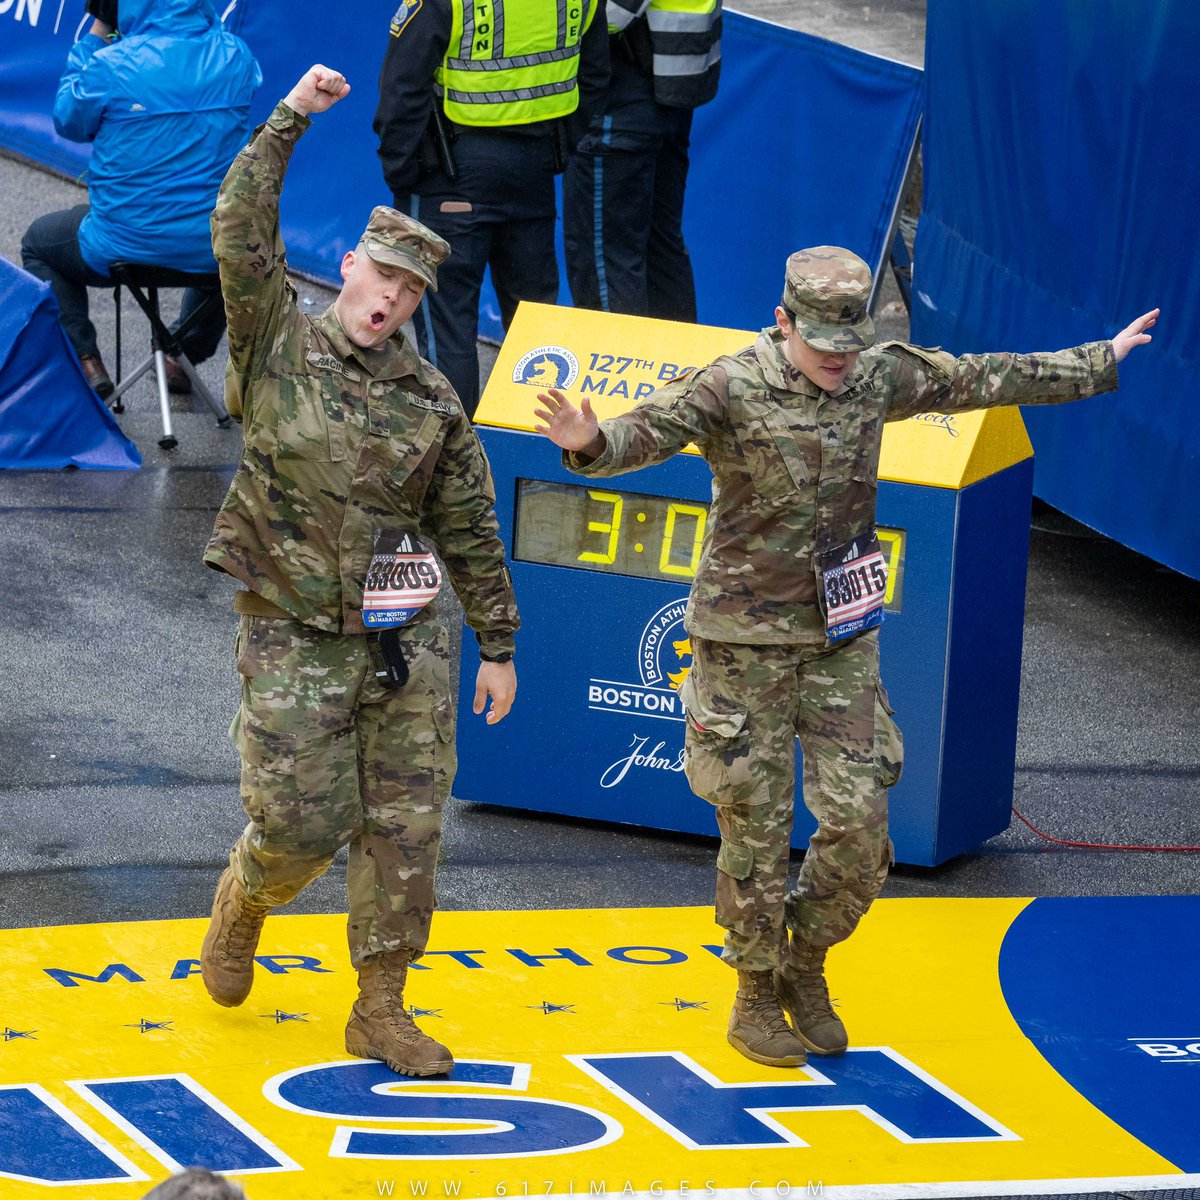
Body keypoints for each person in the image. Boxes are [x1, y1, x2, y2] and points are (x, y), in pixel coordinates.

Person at [534, 246, 1158, 1069]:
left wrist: (1097, 360)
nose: (837, 362)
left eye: (848, 346)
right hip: (742, 642)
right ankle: (754, 993)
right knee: (753, 828)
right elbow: (647, 428)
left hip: (840, 639)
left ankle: (805, 959)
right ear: (784, 322)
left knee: (861, 827)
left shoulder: (877, 374)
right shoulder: (733, 383)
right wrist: (589, 442)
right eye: (821, 346)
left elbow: (984, 377)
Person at [198, 64, 520, 1079]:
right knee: (299, 823)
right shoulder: (274, 344)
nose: (391, 300)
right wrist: (291, 118)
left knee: (406, 826)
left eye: (412, 290)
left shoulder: (431, 400)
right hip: (293, 624)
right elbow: (238, 226)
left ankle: (380, 1006)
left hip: (403, 639)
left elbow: (469, 522)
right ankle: (249, 895)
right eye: (383, 278)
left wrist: (499, 644)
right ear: (350, 267)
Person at [373, 0, 609, 418]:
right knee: (536, 333)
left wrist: (404, 172)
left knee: (447, 331)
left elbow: (402, 85)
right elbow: (594, 76)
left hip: (449, 173)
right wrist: (557, 151)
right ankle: (537, 466)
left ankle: (456, 466)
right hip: (534, 170)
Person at [19, 0, 260, 398]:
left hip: (118, 246)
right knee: (235, 248)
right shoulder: (235, 56)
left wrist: (98, 31)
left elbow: (67, 118)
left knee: (39, 244)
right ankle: (178, 354)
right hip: (209, 247)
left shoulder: (109, 65)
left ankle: (86, 360)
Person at [563, 0, 721, 323]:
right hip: (670, 81)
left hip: (622, 98)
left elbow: (603, 14)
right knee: (660, 247)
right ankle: (684, 372)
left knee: (605, 263)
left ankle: (613, 365)